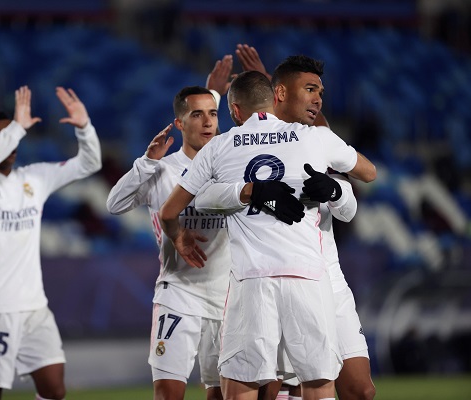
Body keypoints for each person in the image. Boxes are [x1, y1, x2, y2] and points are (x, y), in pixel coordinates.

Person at [159, 70, 376, 400]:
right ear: (276, 99)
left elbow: (177, 209)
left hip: (251, 281)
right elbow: (367, 174)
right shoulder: (313, 137)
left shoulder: (219, 146)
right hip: (308, 277)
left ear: (233, 111)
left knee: (242, 389)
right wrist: (338, 189)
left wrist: (185, 234)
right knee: (317, 386)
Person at [0, 86, 102, 400]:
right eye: (0, 135)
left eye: (11, 133)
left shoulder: (34, 178)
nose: (10, 140)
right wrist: (18, 127)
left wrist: (85, 128)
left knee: (54, 389)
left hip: (34, 306)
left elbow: (89, 164)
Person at [106, 86, 229, 400]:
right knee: (167, 394)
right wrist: (146, 162)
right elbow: (114, 204)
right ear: (179, 123)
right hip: (179, 294)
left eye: (213, 114)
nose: (207, 122)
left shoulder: (229, 168)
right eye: (196, 114)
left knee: (220, 394)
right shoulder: (163, 170)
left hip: (226, 298)